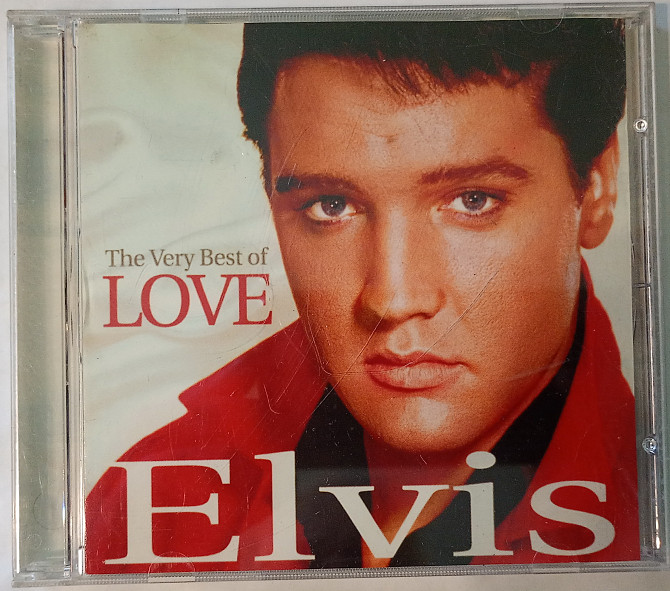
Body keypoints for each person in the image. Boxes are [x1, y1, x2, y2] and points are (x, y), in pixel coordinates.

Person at [86, 19, 639, 573]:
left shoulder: (644, 520)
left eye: (473, 201)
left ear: (596, 188)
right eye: (331, 206)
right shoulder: (154, 504)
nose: (393, 300)